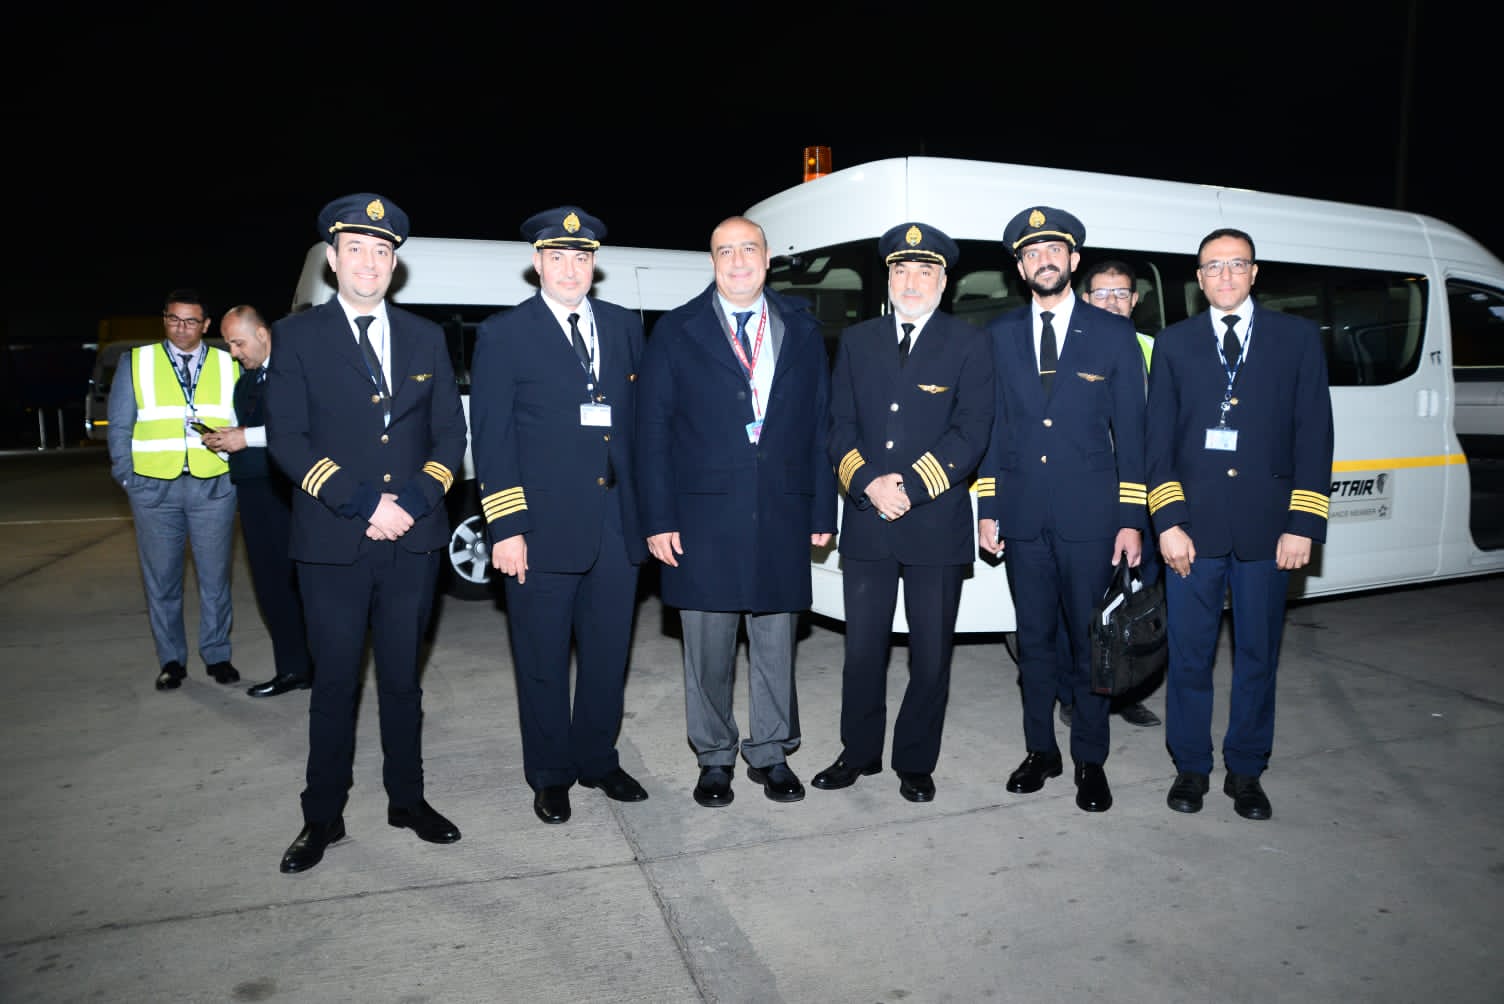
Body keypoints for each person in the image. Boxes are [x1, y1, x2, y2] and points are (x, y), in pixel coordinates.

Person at [266, 193, 468, 872]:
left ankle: (407, 800)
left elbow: (450, 434)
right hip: (333, 542)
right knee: (335, 685)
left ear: (394, 264)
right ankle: (322, 816)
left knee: (404, 682)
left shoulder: (424, 337)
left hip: (413, 539)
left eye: (383, 251)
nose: (370, 262)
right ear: (333, 258)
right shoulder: (296, 337)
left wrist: (410, 501)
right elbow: (287, 439)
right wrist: (363, 503)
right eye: (356, 248)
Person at [636, 215, 836, 808]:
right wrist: (658, 518)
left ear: (767, 258)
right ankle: (715, 756)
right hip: (701, 519)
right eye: (726, 251)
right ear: (712, 261)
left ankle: (771, 751)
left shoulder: (802, 328)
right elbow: (652, 431)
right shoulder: (677, 330)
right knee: (707, 646)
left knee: (775, 640)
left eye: (749, 249)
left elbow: (819, 426)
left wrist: (822, 510)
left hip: (781, 511)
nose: (739, 260)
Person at [469, 206, 650, 826]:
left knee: (607, 654)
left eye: (581, 258)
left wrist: (648, 517)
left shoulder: (623, 326)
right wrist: (506, 528)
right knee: (542, 658)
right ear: (537, 263)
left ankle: (598, 759)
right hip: (540, 529)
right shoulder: (504, 334)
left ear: (594, 264)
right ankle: (550, 774)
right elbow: (492, 440)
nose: (570, 269)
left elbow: (638, 427)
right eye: (557, 258)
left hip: (616, 524)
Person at [1147, 227, 1333, 821]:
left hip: (1269, 531)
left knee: (1257, 656)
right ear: (1198, 280)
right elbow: (1158, 442)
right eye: (1212, 266)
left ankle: (1246, 770)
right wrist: (1167, 522)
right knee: (1190, 656)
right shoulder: (1174, 343)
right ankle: (1191, 767)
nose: (1224, 275)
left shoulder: (1296, 338)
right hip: (1192, 532)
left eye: (1236, 264)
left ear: (1254, 273)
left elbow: (1315, 434)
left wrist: (1303, 523)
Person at [812, 222, 994, 803]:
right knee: (862, 651)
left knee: (931, 655)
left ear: (944, 281)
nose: (910, 281)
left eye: (924, 271)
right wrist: (867, 482)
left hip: (934, 522)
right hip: (868, 520)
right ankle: (859, 752)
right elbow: (838, 424)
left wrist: (911, 488)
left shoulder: (969, 344)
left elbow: (973, 431)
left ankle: (915, 761)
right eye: (900, 270)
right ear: (888, 278)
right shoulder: (858, 340)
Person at [976, 207, 1147, 814]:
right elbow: (993, 428)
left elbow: (1134, 435)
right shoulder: (997, 335)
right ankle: (1040, 751)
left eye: (1053, 250)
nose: (1043, 261)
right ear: (1020, 268)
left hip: (1092, 519)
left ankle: (1089, 760)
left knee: (1090, 644)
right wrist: (989, 506)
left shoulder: (1113, 334)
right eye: (1031, 253)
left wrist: (1131, 519)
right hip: (1023, 517)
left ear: (1073, 260)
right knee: (1034, 643)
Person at [107, 288, 240, 691]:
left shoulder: (228, 362)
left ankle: (217, 655)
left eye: (190, 321)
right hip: (154, 490)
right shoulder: (136, 361)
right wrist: (129, 479)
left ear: (205, 324)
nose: (181, 328)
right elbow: (119, 426)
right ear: (164, 319)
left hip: (213, 485)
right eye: (173, 319)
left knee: (215, 579)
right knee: (162, 581)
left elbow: (243, 422)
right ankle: (171, 660)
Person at [1055, 260, 1162, 729]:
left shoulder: (1156, 350)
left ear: (1135, 300)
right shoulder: (1069, 347)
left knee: (1135, 602)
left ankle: (1125, 689)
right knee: (1079, 605)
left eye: (1121, 294)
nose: (1112, 302)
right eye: (1101, 294)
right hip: (1090, 501)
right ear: (1085, 299)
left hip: (1145, 501)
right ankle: (1072, 692)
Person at [201, 306, 314, 698]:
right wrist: (226, 439)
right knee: (270, 583)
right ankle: (293, 669)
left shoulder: (295, 369)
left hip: (288, 489)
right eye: (230, 344)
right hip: (252, 491)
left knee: (304, 582)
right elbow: (252, 430)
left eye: (238, 343)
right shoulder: (246, 381)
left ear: (263, 335)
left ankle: (322, 666)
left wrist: (244, 437)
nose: (234, 353)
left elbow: (302, 428)